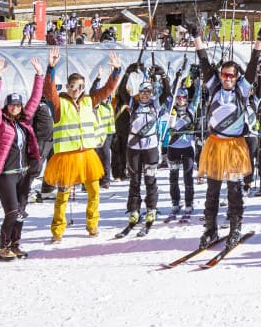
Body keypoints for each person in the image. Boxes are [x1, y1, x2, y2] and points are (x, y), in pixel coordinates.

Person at [43, 47, 122, 242]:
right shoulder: (59, 103)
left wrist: (117, 71)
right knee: (63, 196)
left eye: (79, 86)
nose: (76, 90)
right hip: (66, 158)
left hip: (87, 155)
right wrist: (51, 68)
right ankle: (57, 230)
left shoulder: (89, 100)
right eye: (72, 86)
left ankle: (92, 224)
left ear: (84, 88)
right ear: (68, 87)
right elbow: (49, 91)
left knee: (94, 192)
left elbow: (107, 91)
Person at [194, 32, 261, 249]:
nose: (228, 78)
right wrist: (196, 36)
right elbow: (204, 61)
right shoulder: (214, 86)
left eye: (232, 76)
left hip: (234, 145)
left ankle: (235, 228)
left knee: (234, 190)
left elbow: (252, 67)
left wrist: (258, 41)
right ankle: (210, 229)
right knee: (212, 190)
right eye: (225, 75)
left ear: (237, 78)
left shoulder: (242, 89)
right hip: (215, 144)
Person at [0, 57, 45, 259]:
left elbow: (35, 100)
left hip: (23, 174)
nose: (16, 108)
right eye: (12, 105)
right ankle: (3, 247)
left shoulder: (24, 122)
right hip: (6, 176)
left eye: (18, 105)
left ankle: (15, 244)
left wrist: (39, 75)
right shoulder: (0, 123)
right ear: (7, 107)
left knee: (20, 213)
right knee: (11, 212)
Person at [124, 73, 163, 230]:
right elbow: (121, 91)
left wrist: (164, 77)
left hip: (150, 147)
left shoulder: (155, 105)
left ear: (151, 94)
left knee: (150, 179)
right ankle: (134, 209)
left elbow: (166, 92)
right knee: (134, 180)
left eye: (148, 92)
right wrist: (127, 72)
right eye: (142, 92)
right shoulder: (133, 104)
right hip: (133, 148)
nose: (145, 95)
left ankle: (151, 208)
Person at [165, 84, 199, 218]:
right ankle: (175, 202)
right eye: (178, 97)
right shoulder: (170, 109)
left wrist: (199, 81)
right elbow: (166, 94)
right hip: (173, 148)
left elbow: (196, 97)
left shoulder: (191, 109)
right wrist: (167, 80)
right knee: (173, 178)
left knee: (188, 177)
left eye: (183, 97)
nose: (181, 99)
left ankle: (189, 203)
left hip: (188, 148)